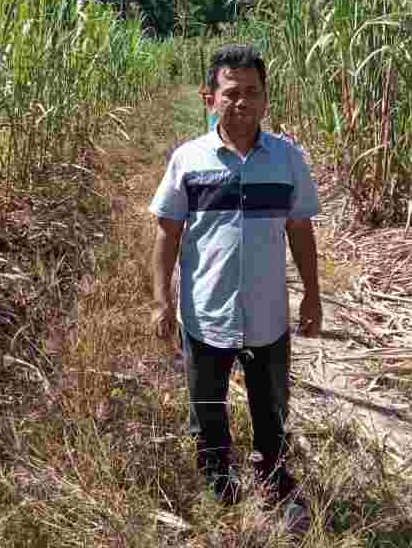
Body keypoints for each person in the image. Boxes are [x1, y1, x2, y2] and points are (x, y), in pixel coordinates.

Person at [149, 44, 322, 506]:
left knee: (271, 408)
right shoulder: (189, 160)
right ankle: (218, 480)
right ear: (210, 99)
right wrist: (163, 301)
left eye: (252, 92)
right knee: (207, 410)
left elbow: (300, 231)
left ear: (266, 99)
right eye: (230, 92)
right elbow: (168, 233)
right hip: (206, 314)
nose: (241, 102)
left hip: (267, 316)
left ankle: (273, 473)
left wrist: (312, 295)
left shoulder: (286, 160)